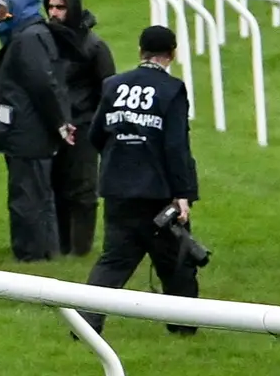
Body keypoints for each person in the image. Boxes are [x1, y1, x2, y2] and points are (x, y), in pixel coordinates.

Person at [84, 24, 203, 332]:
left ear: (140, 52)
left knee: (113, 261)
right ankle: (184, 328)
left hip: (117, 188)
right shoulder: (172, 90)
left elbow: (96, 133)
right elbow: (176, 145)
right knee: (176, 261)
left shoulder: (113, 85)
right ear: (172, 54)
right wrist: (183, 193)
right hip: (157, 194)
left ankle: (85, 323)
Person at [0, 0, 75, 261]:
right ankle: (44, 250)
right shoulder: (30, 35)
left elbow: (43, 85)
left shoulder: (28, 39)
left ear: (15, 6)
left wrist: (60, 123)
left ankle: (31, 253)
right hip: (31, 130)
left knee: (28, 196)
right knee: (37, 194)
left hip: (28, 132)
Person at [41, 0, 119, 257]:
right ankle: (62, 246)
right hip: (54, 125)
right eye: (50, 7)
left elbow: (107, 90)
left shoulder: (94, 46)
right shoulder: (44, 41)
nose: (53, 13)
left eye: (60, 7)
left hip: (84, 125)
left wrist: (100, 128)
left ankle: (81, 249)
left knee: (83, 189)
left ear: (72, 8)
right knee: (56, 186)